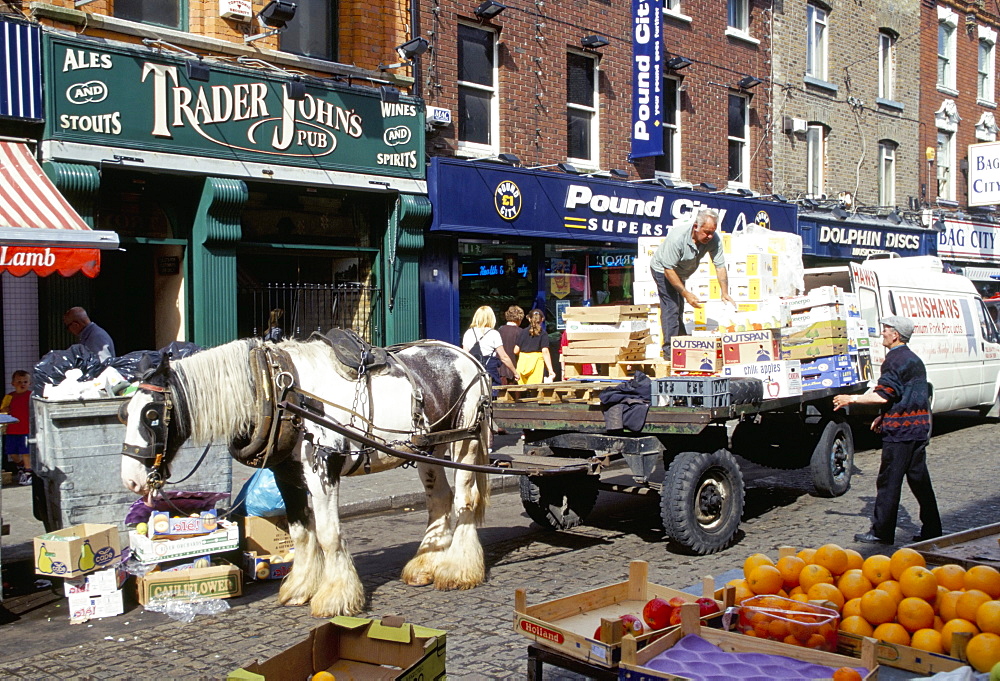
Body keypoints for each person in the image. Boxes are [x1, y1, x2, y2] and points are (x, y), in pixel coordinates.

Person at [833, 316, 942, 545]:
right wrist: (884, 415)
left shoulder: (894, 360)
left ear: (896, 335)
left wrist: (851, 398)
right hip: (919, 428)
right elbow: (906, 396)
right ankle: (933, 528)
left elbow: (884, 394)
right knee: (919, 480)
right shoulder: (913, 359)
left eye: (886, 330)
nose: (882, 333)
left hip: (901, 432)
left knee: (889, 481)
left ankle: (882, 532)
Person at [650, 208, 736, 356]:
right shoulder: (677, 238)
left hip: (681, 272)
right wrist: (686, 293)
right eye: (706, 232)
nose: (709, 236)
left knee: (679, 307)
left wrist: (725, 292)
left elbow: (720, 266)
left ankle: (681, 342)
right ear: (696, 227)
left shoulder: (714, 239)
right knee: (671, 306)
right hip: (663, 270)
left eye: (712, 232)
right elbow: (668, 270)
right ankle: (670, 351)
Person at [462, 306, 517, 386]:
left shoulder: (468, 333)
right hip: (490, 372)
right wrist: (515, 372)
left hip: (473, 372)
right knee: (492, 395)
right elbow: (504, 357)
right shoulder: (494, 333)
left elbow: (465, 355)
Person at [2, 370, 33, 485]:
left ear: (30, 383)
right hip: (12, 430)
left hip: (26, 429)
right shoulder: (9, 397)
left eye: (25, 382)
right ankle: (21, 465)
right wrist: (5, 410)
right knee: (12, 453)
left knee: (25, 452)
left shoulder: (31, 396)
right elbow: (3, 410)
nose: (22, 384)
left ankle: (28, 471)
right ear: (13, 383)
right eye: (19, 381)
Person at [514, 309, 555, 384]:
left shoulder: (522, 332)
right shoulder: (543, 333)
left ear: (529, 319)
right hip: (536, 363)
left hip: (523, 363)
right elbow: (545, 351)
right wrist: (550, 370)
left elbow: (516, 350)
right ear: (542, 319)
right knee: (535, 389)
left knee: (522, 388)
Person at [497, 305, 524, 386]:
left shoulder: (499, 330)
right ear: (519, 318)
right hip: (515, 369)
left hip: (500, 369)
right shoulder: (521, 332)